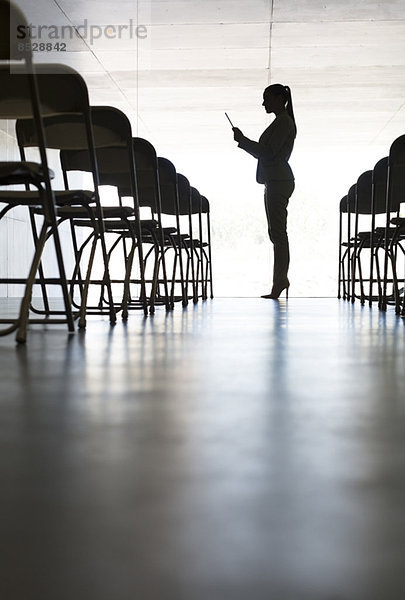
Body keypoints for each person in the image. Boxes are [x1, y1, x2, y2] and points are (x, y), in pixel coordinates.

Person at [232, 84, 297, 299]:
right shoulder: (282, 122)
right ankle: (280, 280)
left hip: (278, 180)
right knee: (277, 233)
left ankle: (280, 280)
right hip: (275, 180)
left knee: (278, 234)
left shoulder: (283, 123)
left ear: (280, 98)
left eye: (267, 99)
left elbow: (267, 153)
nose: (263, 103)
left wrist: (243, 141)